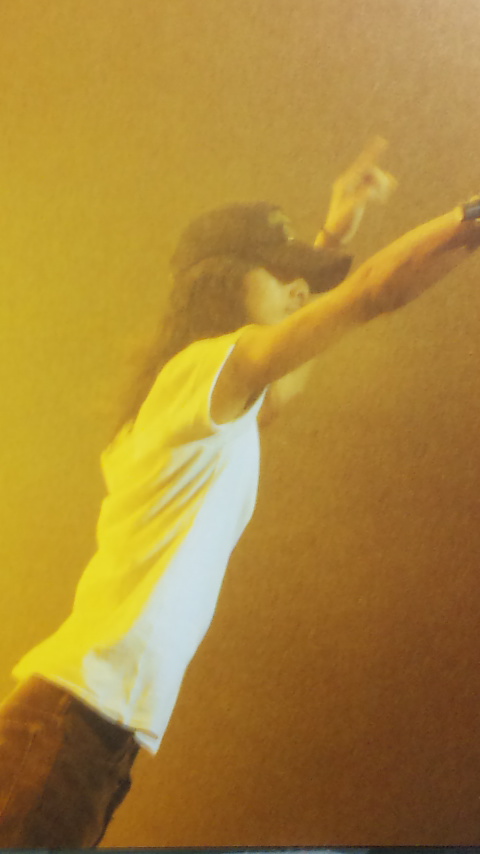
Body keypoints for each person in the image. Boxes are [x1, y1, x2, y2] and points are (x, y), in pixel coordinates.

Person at [0, 139, 479, 848]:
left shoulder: (206, 402)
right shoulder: (200, 373)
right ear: (221, 283)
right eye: (281, 275)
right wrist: (471, 218)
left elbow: (287, 380)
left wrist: (334, 231)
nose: (298, 292)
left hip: (90, 736)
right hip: (67, 725)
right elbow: (370, 295)